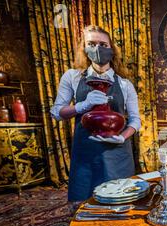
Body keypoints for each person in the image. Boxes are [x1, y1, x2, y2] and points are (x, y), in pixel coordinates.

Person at [51, 25, 141, 211]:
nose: (98, 49)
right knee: (84, 206)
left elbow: (135, 120)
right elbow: (57, 112)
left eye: (103, 44)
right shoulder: (73, 77)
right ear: (84, 48)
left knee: (120, 203)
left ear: (111, 49)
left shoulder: (125, 84)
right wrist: (82, 106)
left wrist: (122, 137)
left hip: (117, 152)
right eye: (91, 44)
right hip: (86, 151)